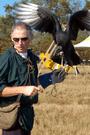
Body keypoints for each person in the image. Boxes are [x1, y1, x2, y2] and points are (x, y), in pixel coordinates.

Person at [0, 22, 42, 135]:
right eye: (16, 39)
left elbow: (31, 83)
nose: (20, 43)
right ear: (11, 38)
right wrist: (23, 89)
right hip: (12, 118)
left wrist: (49, 79)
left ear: (31, 38)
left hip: (26, 117)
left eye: (24, 38)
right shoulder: (6, 58)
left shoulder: (32, 58)